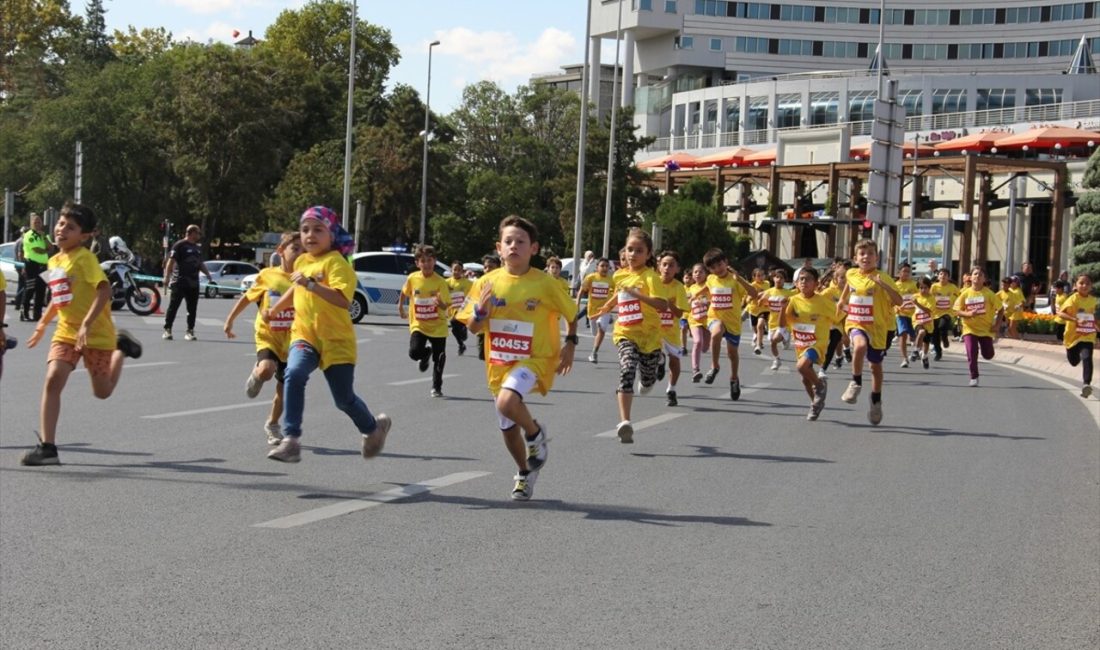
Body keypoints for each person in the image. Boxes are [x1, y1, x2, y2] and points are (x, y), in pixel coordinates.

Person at [458, 215, 578, 500]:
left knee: (507, 401)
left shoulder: (546, 284)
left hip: (535, 358)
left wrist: (570, 344)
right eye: (508, 242)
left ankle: (536, 435)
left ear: (533, 249)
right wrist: (480, 313)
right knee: (507, 425)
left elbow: (572, 315)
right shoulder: (486, 283)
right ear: (499, 248)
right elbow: (473, 327)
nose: (514, 246)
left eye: (520, 242)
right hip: (499, 363)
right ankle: (525, 472)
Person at [263, 206, 391, 463]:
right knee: (294, 373)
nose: (310, 235)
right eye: (305, 229)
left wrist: (311, 284)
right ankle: (291, 440)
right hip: (305, 336)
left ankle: (372, 429)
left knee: (343, 400)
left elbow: (343, 300)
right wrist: (275, 309)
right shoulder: (301, 261)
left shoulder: (337, 263)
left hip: (336, 340)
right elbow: (294, 290)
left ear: (332, 235)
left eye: (318, 229)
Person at [21, 202, 143, 466]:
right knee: (53, 379)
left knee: (103, 392)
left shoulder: (85, 259)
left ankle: (121, 349)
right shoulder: (54, 259)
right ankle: (48, 448)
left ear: (85, 236)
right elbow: (59, 297)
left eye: (71, 227)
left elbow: (104, 291)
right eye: (61, 224)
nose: (62, 229)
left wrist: (87, 324)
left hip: (96, 335)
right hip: (66, 333)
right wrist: (42, 324)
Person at [223, 232, 304, 446]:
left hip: (294, 340)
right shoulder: (268, 275)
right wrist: (230, 320)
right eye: (295, 249)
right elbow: (247, 298)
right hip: (268, 336)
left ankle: (272, 424)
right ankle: (258, 372)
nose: (299, 254)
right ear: (281, 251)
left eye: (303, 250)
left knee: (285, 390)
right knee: (267, 370)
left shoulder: (306, 279)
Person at [592, 228, 668, 443]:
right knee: (626, 370)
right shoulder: (619, 274)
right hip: (625, 332)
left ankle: (656, 364)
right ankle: (625, 422)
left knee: (647, 381)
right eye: (630, 249)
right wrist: (606, 307)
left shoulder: (651, 277)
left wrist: (639, 295)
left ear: (649, 254)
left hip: (650, 337)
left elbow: (662, 305)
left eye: (639, 250)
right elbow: (619, 293)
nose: (633, 254)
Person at [837, 239, 903, 425]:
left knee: (875, 366)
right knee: (859, 346)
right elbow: (848, 292)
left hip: (880, 327)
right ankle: (855, 383)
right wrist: (842, 303)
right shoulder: (851, 274)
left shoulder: (884, 277)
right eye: (862, 254)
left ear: (877, 257)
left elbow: (898, 302)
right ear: (856, 258)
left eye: (870, 254)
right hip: (857, 322)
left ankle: (876, 401)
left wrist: (883, 285)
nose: (866, 257)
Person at [703, 248, 758, 400]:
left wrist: (739, 279)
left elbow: (754, 294)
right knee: (716, 331)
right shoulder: (710, 279)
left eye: (719, 264)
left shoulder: (735, 280)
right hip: (714, 317)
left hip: (733, 322)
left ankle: (734, 378)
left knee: (732, 354)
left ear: (726, 262)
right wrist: (695, 296)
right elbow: (706, 289)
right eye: (713, 267)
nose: (717, 269)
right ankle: (714, 366)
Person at [399, 244, 451, 398]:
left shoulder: (440, 282)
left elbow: (446, 304)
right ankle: (425, 353)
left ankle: (437, 387)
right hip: (419, 325)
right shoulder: (412, 278)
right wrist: (400, 307)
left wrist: (439, 303)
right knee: (414, 353)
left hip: (438, 326)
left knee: (439, 358)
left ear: (434, 261)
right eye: (423, 261)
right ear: (417, 263)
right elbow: (404, 293)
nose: (426, 264)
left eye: (429, 260)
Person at [781, 267, 832, 420]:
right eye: (801, 279)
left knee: (801, 366)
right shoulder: (793, 300)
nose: (804, 282)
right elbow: (783, 323)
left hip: (817, 343)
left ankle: (820, 386)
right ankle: (815, 404)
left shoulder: (823, 301)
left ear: (816, 283)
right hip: (801, 344)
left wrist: (846, 334)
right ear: (796, 283)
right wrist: (782, 309)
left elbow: (840, 315)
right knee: (804, 378)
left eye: (808, 279)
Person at [162, 224, 214, 341]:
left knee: (192, 309)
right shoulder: (179, 245)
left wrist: (208, 274)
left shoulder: (197, 248)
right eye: (198, 233)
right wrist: (166, 276)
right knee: (173, 307)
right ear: (191, 233)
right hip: (179, 282)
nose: (199, 235)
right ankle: (167, 329)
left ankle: (190, 331)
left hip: (193, 283)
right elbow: (170, 262)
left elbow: (200, 263)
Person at [954, 266, 1002, 387]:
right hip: (969, 328)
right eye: (975, 274)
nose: (977, 276)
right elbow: (957, 311)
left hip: (986, 330)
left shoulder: (989, 294)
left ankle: (986, 349)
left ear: (984, 279)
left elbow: (1001, 310)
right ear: (970, 277)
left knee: (988, 355)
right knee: (972, 351)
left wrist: (997, 325)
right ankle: (974, 376)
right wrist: (968, 314)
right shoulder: (965, 294)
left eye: (980, 275)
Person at [656, 251, 689, 407]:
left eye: (671, 265)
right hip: (653, 329)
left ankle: (671, 389)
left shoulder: (679, 287)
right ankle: (659, 360)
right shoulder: (653, 282)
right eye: (664, 264)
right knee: (654, 352)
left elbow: (679, 313)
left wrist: (668, 303)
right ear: (659, 266)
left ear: (677, 269)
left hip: (671, 331)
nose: (667, 268)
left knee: (674, 362)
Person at [1056, 273, 1096, 398]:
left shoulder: (1093, 301)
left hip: (1087, 335)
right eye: (1081, 283)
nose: (1084, 286)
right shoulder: (1073, 299)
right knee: (1073, 362)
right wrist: (1075, 319)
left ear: (1091, 286)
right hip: (1072, 336)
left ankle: (1086, 384)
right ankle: (1075, 355)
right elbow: (1061, 314)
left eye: (1087, 283)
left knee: (1087, 356)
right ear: (1075, 286)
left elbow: (1096, 318)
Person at [577, 257, 614, 364]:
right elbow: (580, 291)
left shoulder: (611, 279)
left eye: (607, 266)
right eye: (602, 266)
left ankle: (594, 353)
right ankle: (599, 325)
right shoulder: (591, 278)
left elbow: (617, 293)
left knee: (601, 329)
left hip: (604, 310)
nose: (605, 268)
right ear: (597, 267)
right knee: (595, 332)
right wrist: (577, 304)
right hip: (592, 311)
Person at [758, 268, 795, 370]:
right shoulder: (769, 291)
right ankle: (777, 359)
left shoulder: (789, 293)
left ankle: (785, 338)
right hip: (772, 322)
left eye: (782, 278)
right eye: (777, 277)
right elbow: (761, 301)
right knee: (772, 342)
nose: (779, 279)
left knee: (774, 340)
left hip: (784, 323)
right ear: (773, 278)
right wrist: (760, 301)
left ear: (785, 280)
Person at [20, 213, 51, 322]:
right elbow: (37, 249)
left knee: (41, 290)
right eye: (35, 222)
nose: (38, 224)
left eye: (39, 222)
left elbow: (50, 247)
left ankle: (37, 315)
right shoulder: (29, 235)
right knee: (30, 288)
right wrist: (46, 250)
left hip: (43, 265)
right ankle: (24, 312)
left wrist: (44, 237)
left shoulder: (43, 235)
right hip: (32, 264)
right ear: (31, 224)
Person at [686, 262, 710, 383]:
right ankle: (695, 370)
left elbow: (712, 301)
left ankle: (700, 350)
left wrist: (706, 302)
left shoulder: (709, 286)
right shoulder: (690, 288)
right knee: (697, 342)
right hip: (694, 320)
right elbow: (687, 303)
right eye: (695, 272)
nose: (698, 274)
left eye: (701, 272)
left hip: (707, 320)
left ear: (706, 274)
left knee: (705, 347)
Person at [930, 268, 959, 360]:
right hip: (935, 313)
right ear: (938, 276)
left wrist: (954, 302)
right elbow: (929, 297)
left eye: (945, 275)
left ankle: (945, 338)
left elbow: (959, 296)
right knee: (935, 334)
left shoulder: (952, 287)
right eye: (941, 274)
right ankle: (938, 352)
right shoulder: (934, 287)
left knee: (942, 326)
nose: (943, 276)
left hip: (947, 312)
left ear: (948, 277)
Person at [476, 253, 501, 360]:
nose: (487, 269)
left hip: (499, 326)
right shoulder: (479, 283)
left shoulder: (503, 283)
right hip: (482, 327)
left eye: (491, 267)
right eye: (485, 267)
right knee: (482, 355)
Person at [894, 263, 918, 367]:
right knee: (903, 335)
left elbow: (919, 296)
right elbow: (891, 299)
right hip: (900, 314)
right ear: (899, 273)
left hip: (913, 315)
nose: (906, 273)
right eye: (904, 271)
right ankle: (904, 358)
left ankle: (916, 350)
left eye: (908, 271)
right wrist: (897, 307)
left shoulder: (914, 284)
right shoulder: (895, 285)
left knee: (913, 337)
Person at [446, 260, 472, 355]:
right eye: (455, 269)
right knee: (454, 329)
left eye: (459, 270)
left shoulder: (468, 283)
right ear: (451, 270)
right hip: (451, 310)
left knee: (454, 322)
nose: (456, 272)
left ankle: (464, 330)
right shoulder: (446, 282)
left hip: (463, 310)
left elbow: (474, 294)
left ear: (462, 271)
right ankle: (461, 344)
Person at [911, 276, 936, 370]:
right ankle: (915, 351)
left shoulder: (931, 298)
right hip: (917, 321)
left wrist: (917, 304)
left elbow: (928, 311)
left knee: (926, 343)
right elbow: (908, 304)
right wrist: (900, 306)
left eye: (925, 288)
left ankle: (924, 356)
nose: (923, 290)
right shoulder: (915, 296)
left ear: (929, 288)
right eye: (921, 288)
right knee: (921, 332)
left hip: (928, 323)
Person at [746, 267, 770, 355]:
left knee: (760, 325)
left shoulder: (767, 284)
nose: (761, 277)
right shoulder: (752, 285)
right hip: (753, 309)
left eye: (763, 275)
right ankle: (757, 338)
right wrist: (753, 296)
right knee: (755, 328)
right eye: (759, 276)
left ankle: (758, 345)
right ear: (754, 277)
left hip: (764, 309)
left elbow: (768, 293)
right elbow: (748, 299)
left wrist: (763, 295)